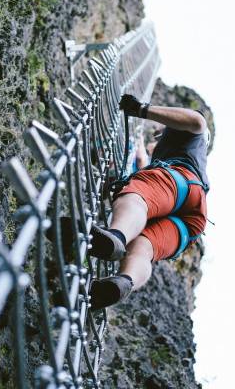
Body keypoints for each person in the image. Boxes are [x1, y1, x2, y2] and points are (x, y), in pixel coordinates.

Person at [88, 94, 210, 310]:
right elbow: (145, 161)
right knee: (143, 248)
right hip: (191, 219)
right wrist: (142, 146)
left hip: (179, 182)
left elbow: (197, 121)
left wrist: (142, 109)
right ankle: (125, 281)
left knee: (138, 195)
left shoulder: (190, 135)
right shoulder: (183, 154)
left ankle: (116, 236)